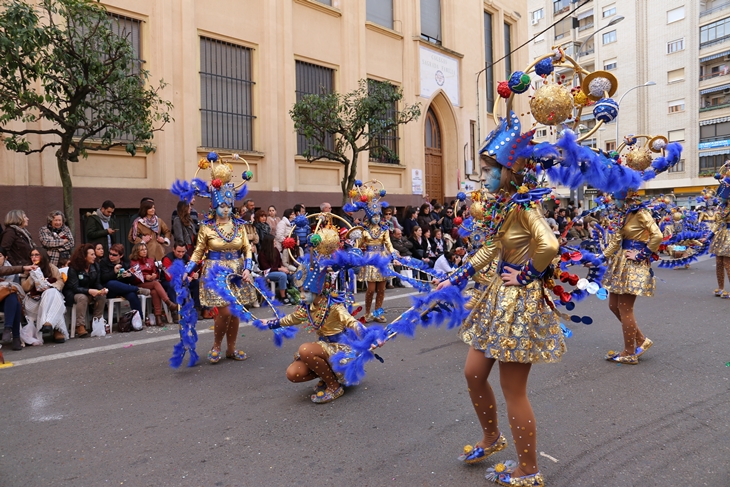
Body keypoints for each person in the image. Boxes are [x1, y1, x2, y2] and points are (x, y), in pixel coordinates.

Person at [435, 115, 562, 487]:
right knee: (473, 373)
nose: (484, 176)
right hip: (496, 300)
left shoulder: (524, 208)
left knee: (513, 389)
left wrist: (526, 275)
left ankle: (528, 468)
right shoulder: (507, 207)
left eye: (489, 170)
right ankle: (492, 437)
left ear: (508, 172)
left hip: (519, 305)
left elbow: (550, 245)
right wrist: (456, 276)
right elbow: (491, 248)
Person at [176, 152, 255, 363]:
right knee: (225, 310)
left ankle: (231, 348)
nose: (226, 209)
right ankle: (216, 345)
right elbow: (198, 251)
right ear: (214, 206)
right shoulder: (207, 228)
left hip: (237, 270)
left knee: (235, 311)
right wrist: (187, 269)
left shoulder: (239, 226)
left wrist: (248, 268)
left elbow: (247, 248)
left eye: (229, 206)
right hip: (216, 271)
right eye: (222, 206)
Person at [601, 191, 662, 364]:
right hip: (620, 262)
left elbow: (657, 235)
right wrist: (600, 257)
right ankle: (641, 340)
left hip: (633, 263)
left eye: (616, 198)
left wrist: (642, 254)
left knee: (625, 308)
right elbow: (616, 240)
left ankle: (629, 352)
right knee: (614, 305)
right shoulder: (625, 214)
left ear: (625, 198)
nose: (614, 201)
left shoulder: (641, 213)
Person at [347, 181, 398, 323]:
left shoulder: (384, 229)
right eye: (374, 215)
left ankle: (378, 312)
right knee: (370, 289)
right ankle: (368, 312)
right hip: (369, 259)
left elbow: (388, 243)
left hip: (382, 258)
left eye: (378, 215)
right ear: (369, 216)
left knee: (382, 289)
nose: (376, 217)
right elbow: (357, 245)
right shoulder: (364, 230)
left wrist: (393, 254)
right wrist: (354, 251)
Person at [21, 248, 68, 343]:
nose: (34, 257)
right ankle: (56, 330)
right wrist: (32, 275)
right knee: (56, 300)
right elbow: (25, 288)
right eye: (32, 255)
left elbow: (60, 281)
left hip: (49, 299)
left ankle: (48, 323)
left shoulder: (51, 267)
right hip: (33, 302)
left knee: (51, 292)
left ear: (42, 256)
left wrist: (50, 286)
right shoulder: (27, 268)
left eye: (36, 255)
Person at [64, 244, 108, 338]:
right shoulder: (73, 268)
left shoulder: (95, 266)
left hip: (89, 291)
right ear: (84, 256)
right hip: (74, 293)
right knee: (82, 297)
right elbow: (74, 287)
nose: (94, 256)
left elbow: (97, 283)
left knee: (102, 296)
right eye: (92, 254)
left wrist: (101, 289)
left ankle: (96, 321)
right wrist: (89, 291)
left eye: (94, 254)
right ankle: (80, 325)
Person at [130, 242, 178, 326]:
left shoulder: (151, 260)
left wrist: (154, 275)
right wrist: (146, 277)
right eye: (141, 250)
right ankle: (168, 303)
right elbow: (133, 278)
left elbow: (156, 273)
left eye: (145, 249)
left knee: (155, 291)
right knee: (155, 284)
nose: (144, 251)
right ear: (136, 251)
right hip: (139, 284)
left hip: (152, 284)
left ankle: (158, 317)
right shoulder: (133, 263)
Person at [0, 247, 32, 350]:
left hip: (6, 302)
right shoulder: (11, 269)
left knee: (13, 296)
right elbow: (4, 270)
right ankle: (16, 337)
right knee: (15, 303)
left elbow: (16, 287)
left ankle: (7, 328)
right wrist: (22, 268)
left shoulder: (12, 273)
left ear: (5, 257)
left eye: (0, 256)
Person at [258, 234, 294, 305]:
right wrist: (280, 269)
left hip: (277, 271)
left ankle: (293, 294)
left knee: (292, 275)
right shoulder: (262, 254)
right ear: (269, 243)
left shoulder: (276, 250)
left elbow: (279, 262)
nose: (275, 243)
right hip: (267, 273)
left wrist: (283, 268)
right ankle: (283, 297)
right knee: (282, 275)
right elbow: (266, 268)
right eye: (274, 242)